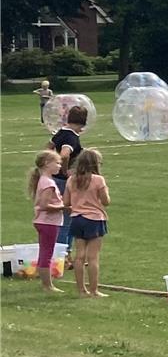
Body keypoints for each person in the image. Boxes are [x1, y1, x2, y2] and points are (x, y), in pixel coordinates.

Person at [65, 148, 110, 298]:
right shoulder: (98, 180)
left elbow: (66, 202)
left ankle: (81, 290)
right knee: (93, 257)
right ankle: (94, 290)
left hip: (77, 218)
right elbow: (106, 201)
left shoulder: (72, 179)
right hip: (95, 219)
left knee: (79, 256)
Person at [48, 105, 87, 265]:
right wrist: (64, 170)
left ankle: (64, 254)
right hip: (63, 181)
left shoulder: (60, 133)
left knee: (62, 218)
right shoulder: (71, 137)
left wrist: (49, 166)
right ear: (83, 122)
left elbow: (48, 147)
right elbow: (65, 155)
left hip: (54, 178)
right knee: (67, 219)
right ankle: (63, 256)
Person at [27, 150, 66, 294]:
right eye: (57, 163)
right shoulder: (48, 183)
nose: (59, 166)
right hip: (48, 222)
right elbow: (44, 205)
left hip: (44, 221)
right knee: (47, 254)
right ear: (46, 164)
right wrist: (63, 207)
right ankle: (47, 285)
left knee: (45, 252)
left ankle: (46, 282)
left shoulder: (44, 180)